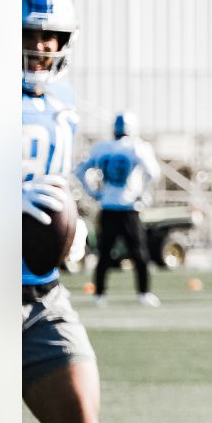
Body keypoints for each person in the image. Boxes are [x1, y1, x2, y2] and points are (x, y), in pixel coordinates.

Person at [21, 0, 102, 423]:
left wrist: (73, 227)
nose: (39, 47)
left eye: (49, 35)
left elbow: (56, 188)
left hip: (39, 294)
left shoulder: (61, 106)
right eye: (26, 35)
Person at [75, 111, 163, 308]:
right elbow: (153, 173)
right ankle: (143, 292)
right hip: (129, 207)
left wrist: (92, 192)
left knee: (105, 254)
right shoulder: (138, 147)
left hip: (108, 206)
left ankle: (99, 294)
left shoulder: (102, 148)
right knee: (139, 253)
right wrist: (142, 194)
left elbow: (80, 170)